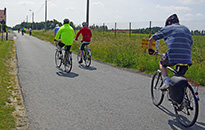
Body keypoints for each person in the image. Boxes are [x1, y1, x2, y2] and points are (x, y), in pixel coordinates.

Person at [148, 14, 193, 90]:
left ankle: (166, 82)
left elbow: (151, 39)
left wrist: (150, 49)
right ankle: (182, 99)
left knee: (162, 63)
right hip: (187, 58)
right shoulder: (186, 29)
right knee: (179, 80)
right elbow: (190, 43)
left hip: (173, 56)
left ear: (169, 22)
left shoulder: (168, 28)